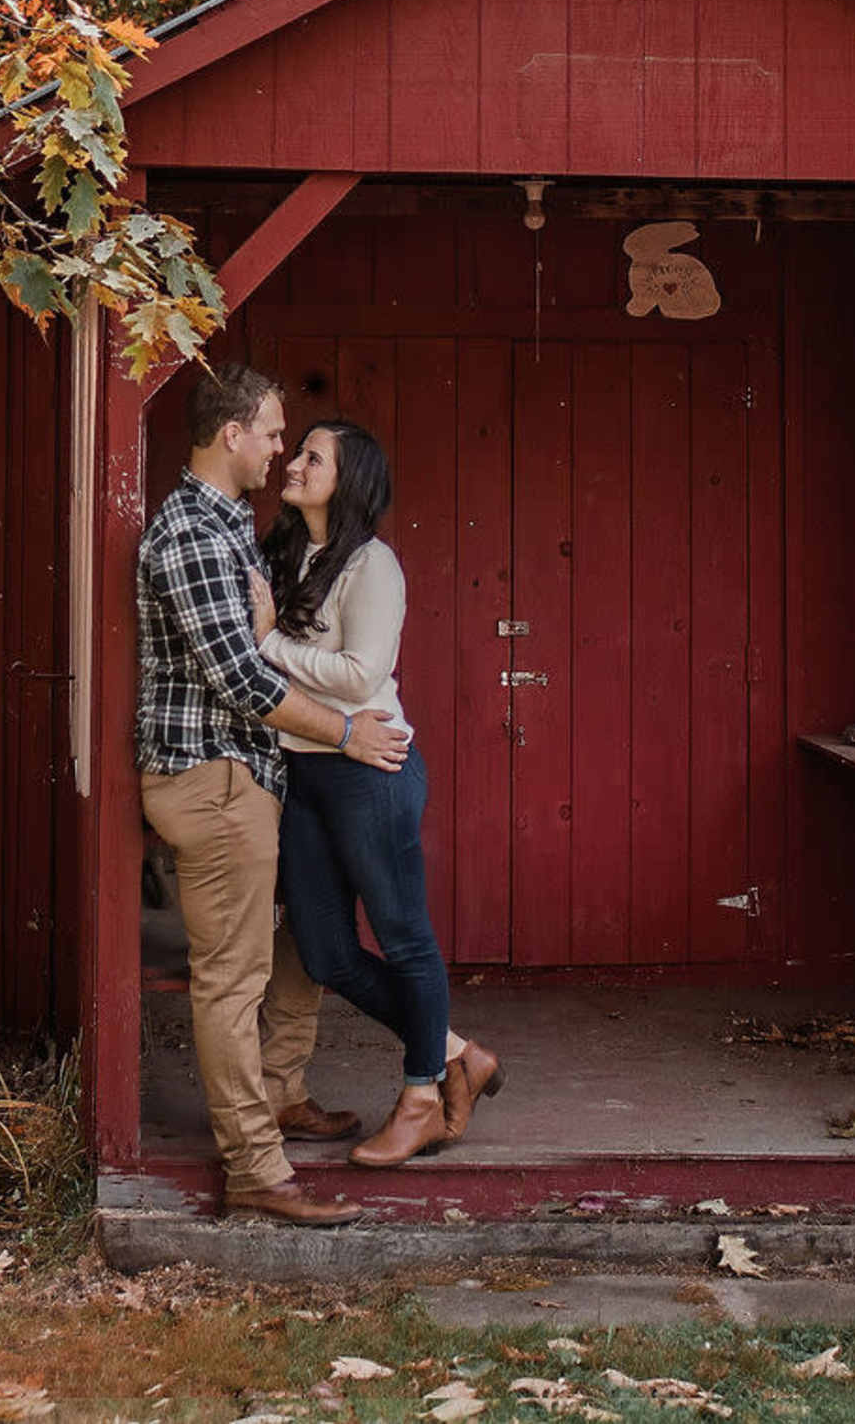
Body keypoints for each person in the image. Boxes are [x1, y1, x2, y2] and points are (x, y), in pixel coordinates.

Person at [137, 363, 412, 1226]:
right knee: (232, 978)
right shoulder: (189, 534)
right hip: (215, 781)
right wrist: (347, 731)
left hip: (255, 775)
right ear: (232, 434)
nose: (279, 449)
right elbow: (242, 678)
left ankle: (283, 1090)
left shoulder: (234, 531)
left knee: (303, 940)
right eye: (271, 432)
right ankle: (256, 1166)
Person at [254, 419, 505, 1164]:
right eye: (295, 450)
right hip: (305, 771)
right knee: (328, 952)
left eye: (311, 456)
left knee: (404, 936)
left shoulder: (374, 566)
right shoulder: (286, 554)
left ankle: (423, 1094)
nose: (293, 463)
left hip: (372, 770)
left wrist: (273, 645)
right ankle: (460, 1049)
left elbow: (362, 674)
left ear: (348, 478)